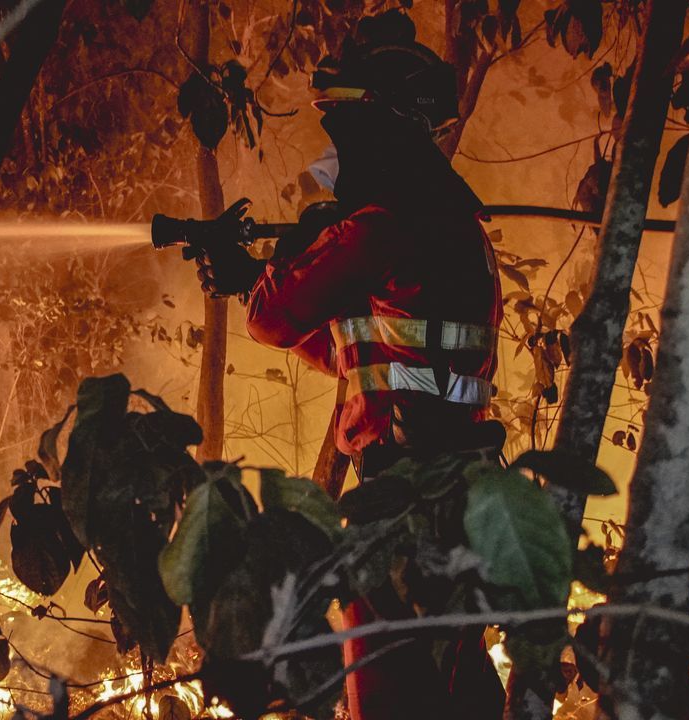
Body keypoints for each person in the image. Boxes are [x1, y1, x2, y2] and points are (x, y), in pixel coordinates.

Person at [195, 11, 506, 720]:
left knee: (388, 683)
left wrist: (265, 274)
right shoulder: (457, 230)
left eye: (344, 127)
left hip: (398, 492)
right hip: (459, 485)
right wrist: (257, 274)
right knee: (452, 677)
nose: (336, 147)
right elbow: (362, 360)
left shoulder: (381, 226)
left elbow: (273, 320)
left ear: (380, 128)